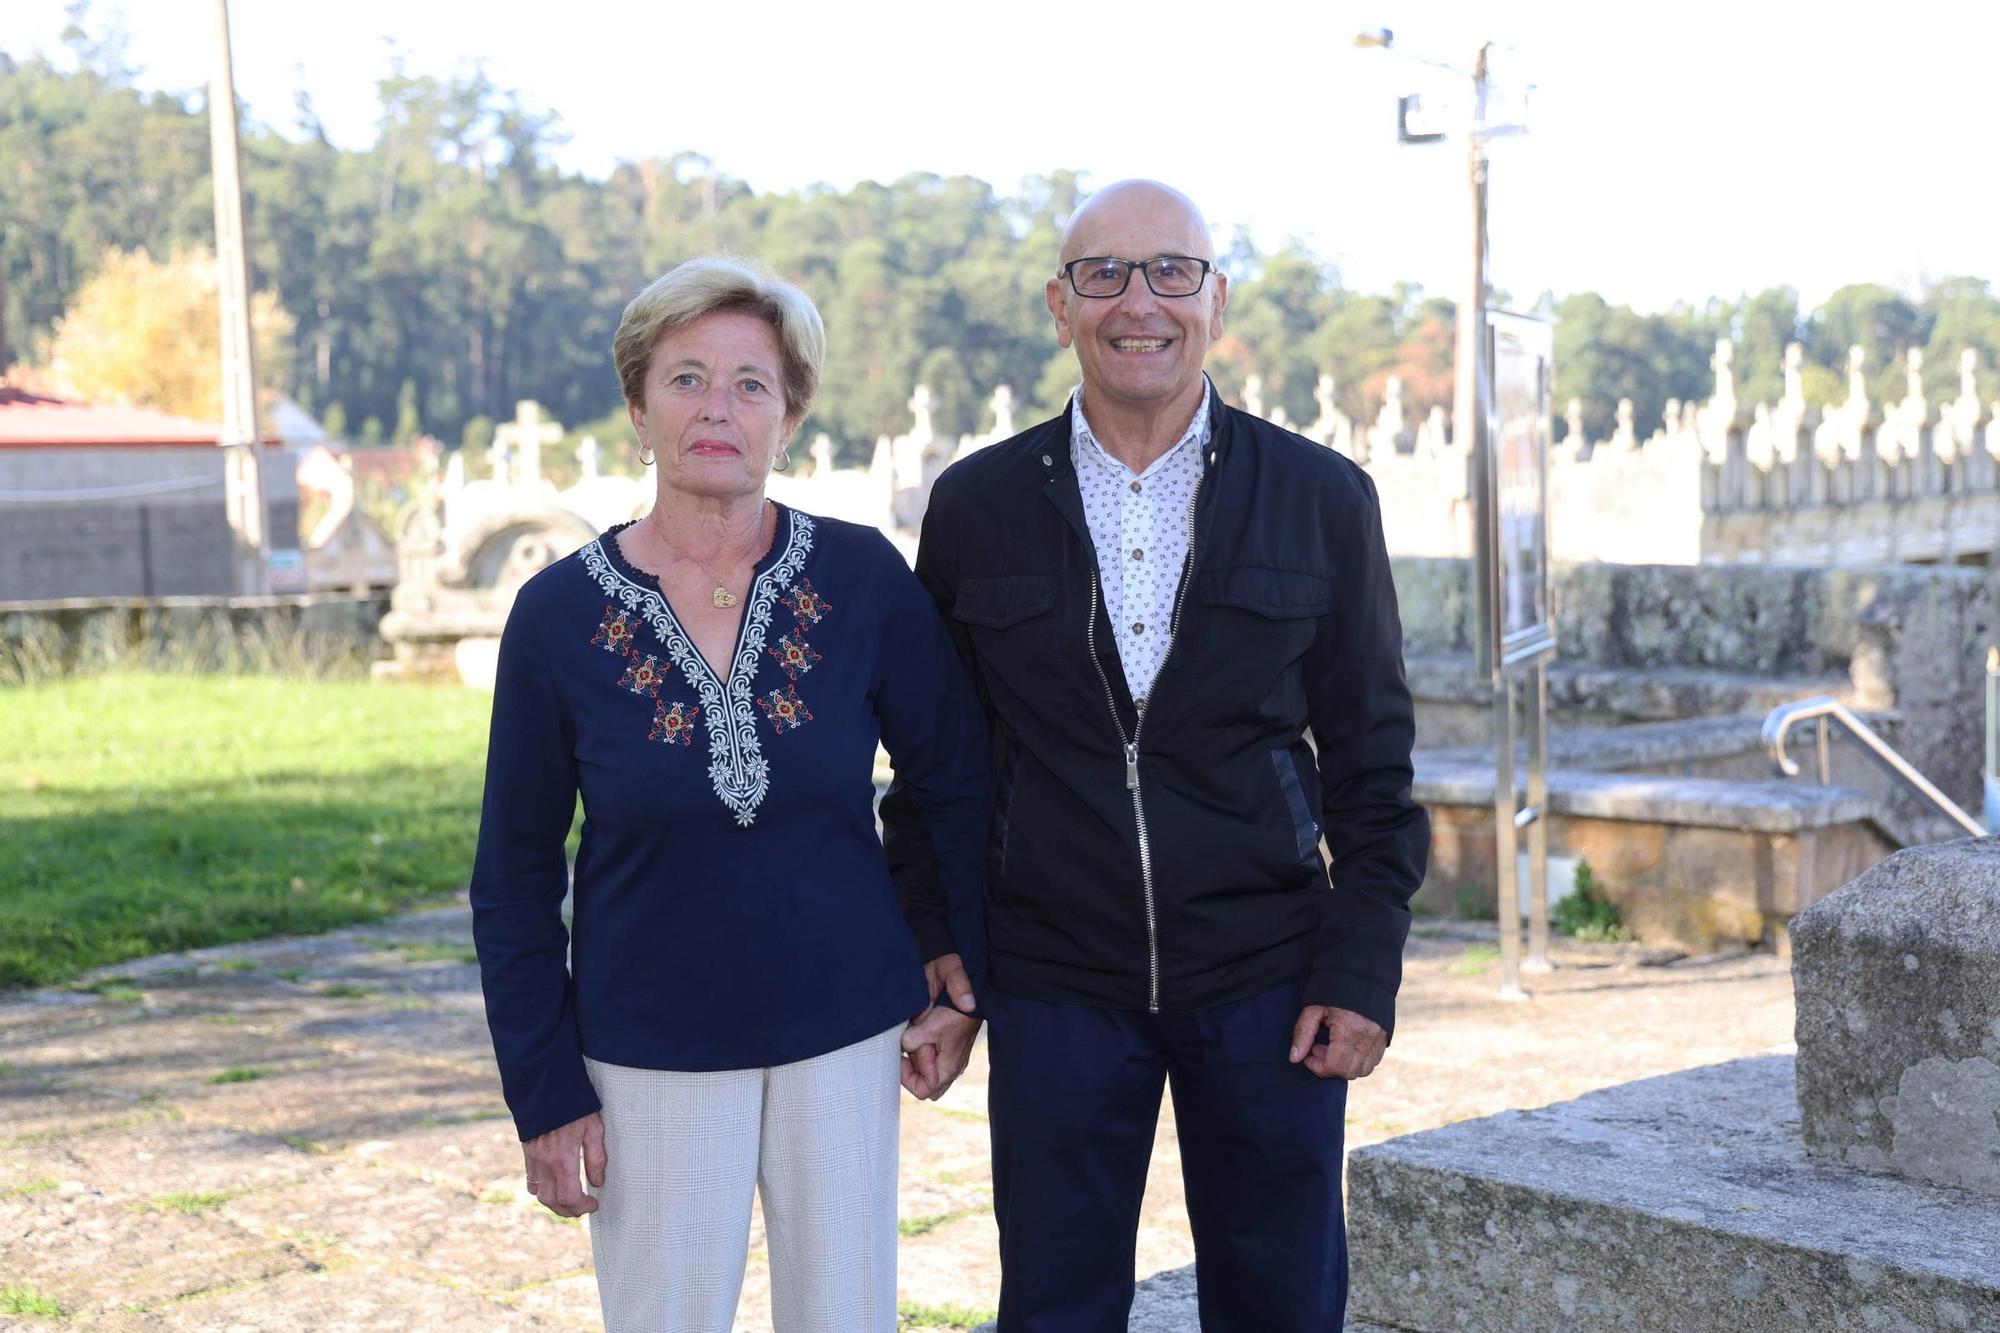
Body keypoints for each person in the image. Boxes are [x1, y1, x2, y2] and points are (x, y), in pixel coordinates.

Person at [888, 180, 1430, 1331]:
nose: (1139, 301)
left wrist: (1361, 968)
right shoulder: (975, 504)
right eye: (1104, 274)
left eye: (1169, 271)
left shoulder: (1321, 499)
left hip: (1269, 980)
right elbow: (933, 762)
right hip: (1052, 983)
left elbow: (1373, 768)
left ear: (1215, 300)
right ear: (1058, 304)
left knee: (1280, 1302)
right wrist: (934, 940)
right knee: (1052, 1306)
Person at [470, 255, 987, 1333]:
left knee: (843, 1318)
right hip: (646, 1045)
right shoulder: (556, 616)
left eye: (751, 383)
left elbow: (950, 785)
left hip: (846, 1030)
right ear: (636, 406)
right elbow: (512, 878)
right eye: (686, 378)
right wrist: (545, 1087)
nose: (718, 407)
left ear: (788, 414)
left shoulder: (861, 580)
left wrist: (954, 973)